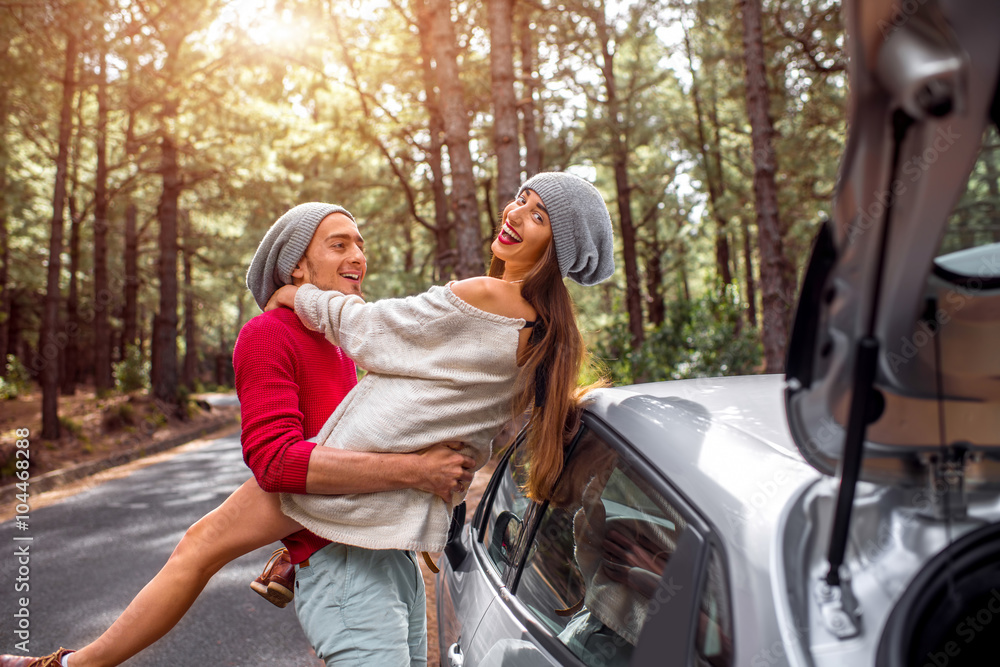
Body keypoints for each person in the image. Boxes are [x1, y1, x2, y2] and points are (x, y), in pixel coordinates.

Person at [3, 171, 615, 666]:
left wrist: (418, 473)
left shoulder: (351, 340)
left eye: (360, 242)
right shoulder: (272, 335)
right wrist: (379, 494)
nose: (359, 255)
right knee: (198, 544)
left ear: (559, 246)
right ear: (296, 265)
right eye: (338, 243)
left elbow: (396, 402)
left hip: (373, 537)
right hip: (346, 532)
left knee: (201, 543)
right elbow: (282, 463)